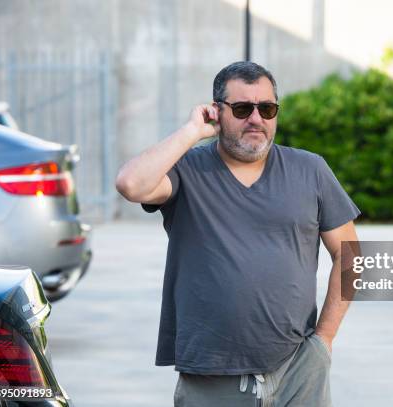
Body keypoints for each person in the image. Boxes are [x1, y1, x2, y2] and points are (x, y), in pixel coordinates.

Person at [115, 61, 361, 407]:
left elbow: (351, 255)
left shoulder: (310, 170)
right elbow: (131, 184)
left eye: (267, 108)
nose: (256, 119)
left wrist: (324, 340)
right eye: (243, 108)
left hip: (298, 372)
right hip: (211, 377)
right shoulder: (187, 171)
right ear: (216, 112)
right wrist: (190, 132)